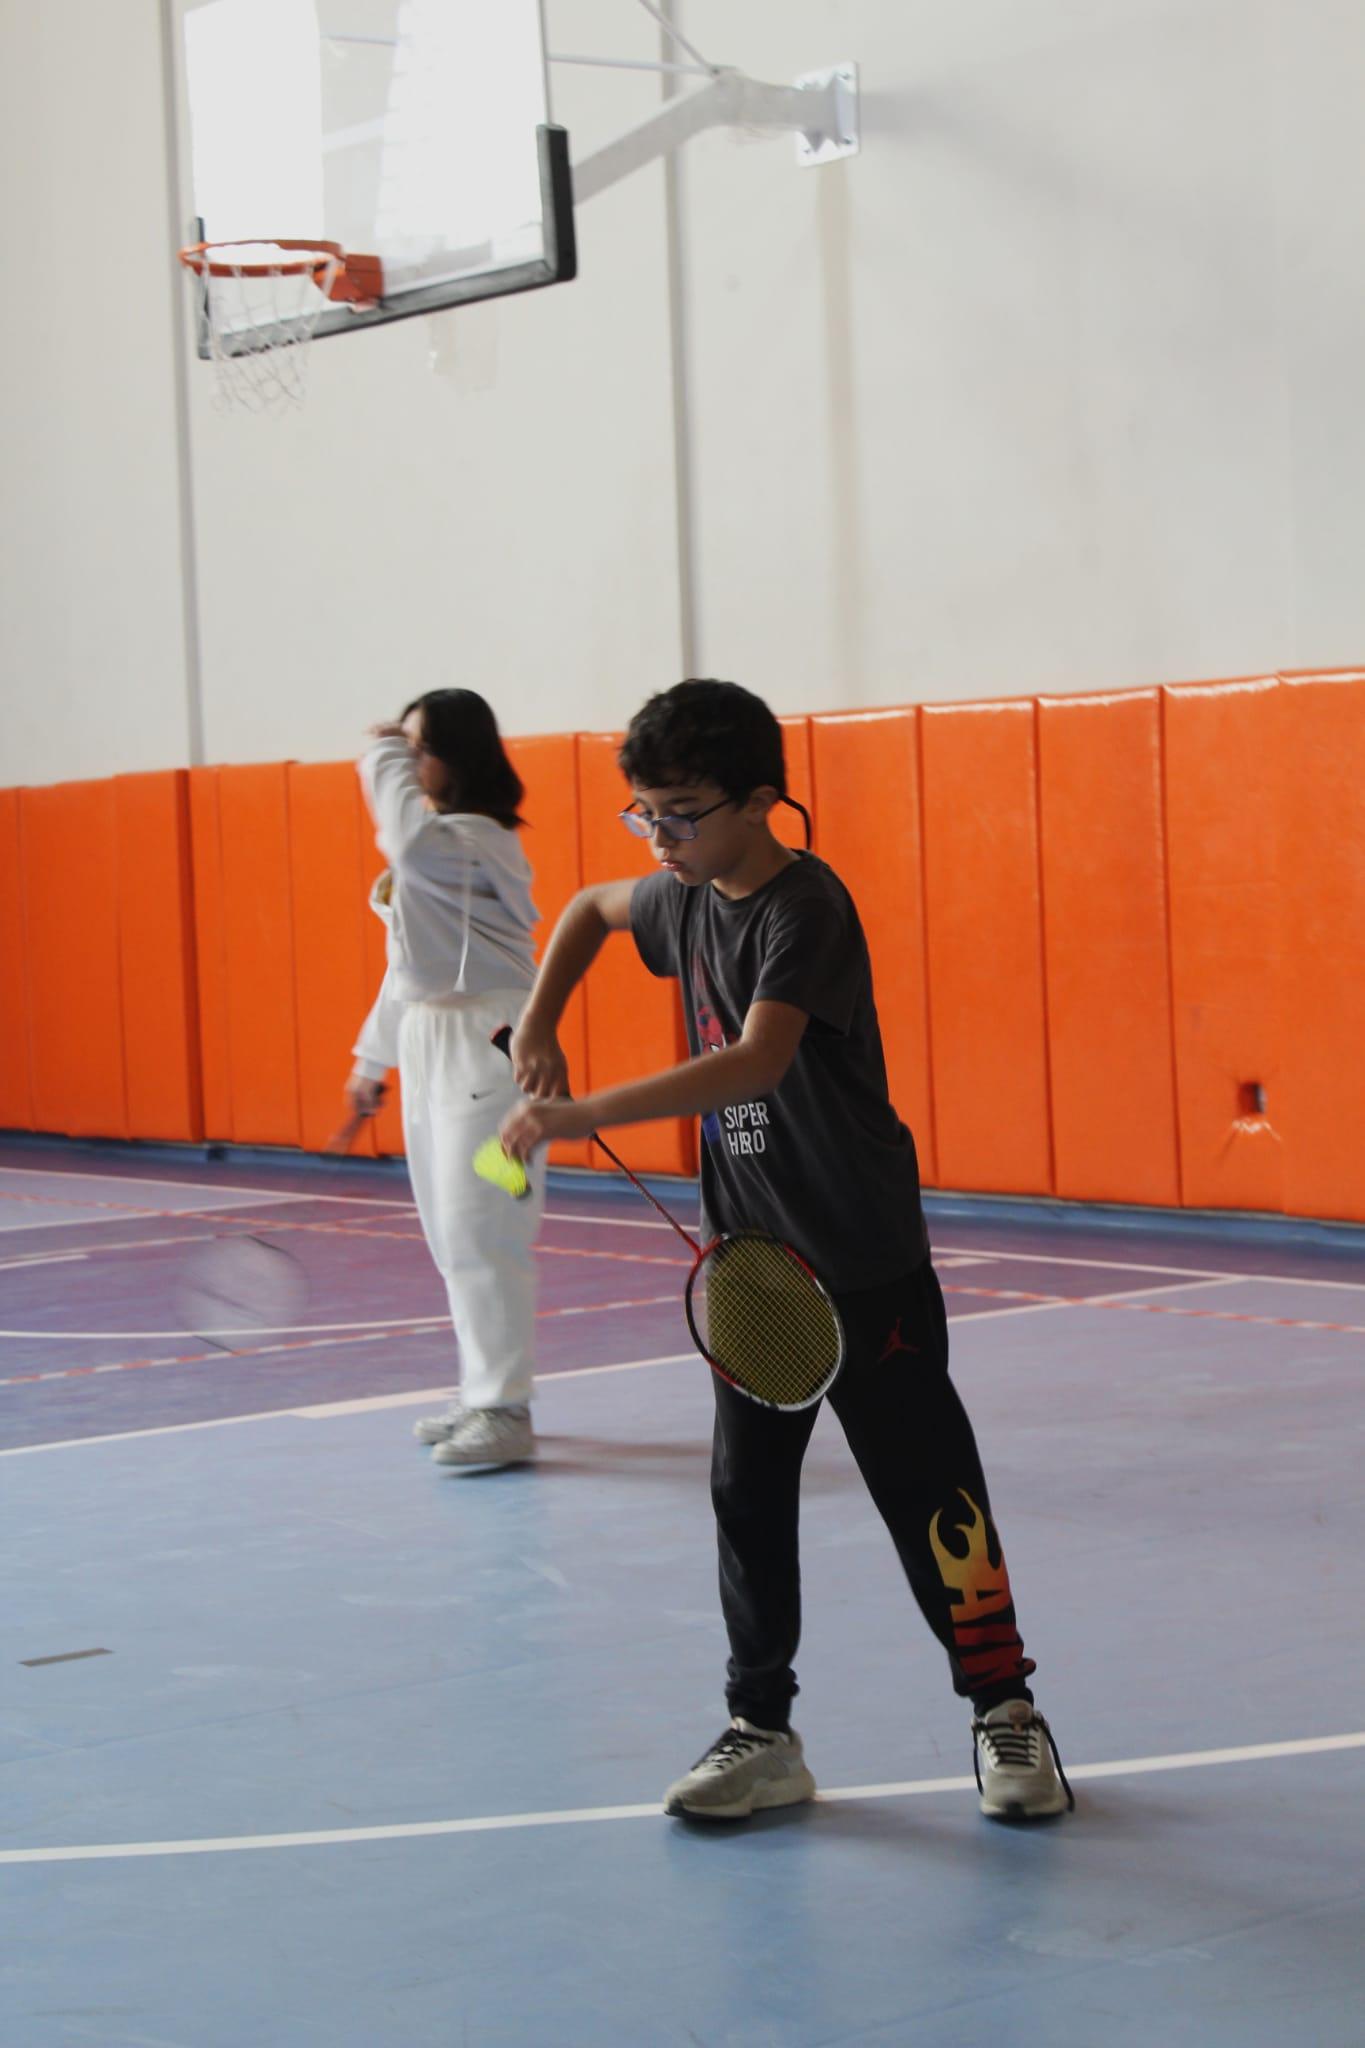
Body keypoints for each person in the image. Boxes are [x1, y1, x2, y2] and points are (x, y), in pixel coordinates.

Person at [499, 678, 1072, 1822]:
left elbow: (756, 1061)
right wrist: (544, 1019)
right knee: (747, 1498)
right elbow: (582, 914)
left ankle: (1006, 1712)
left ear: (761, 801)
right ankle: (761, 1728)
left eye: (681, 812)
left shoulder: (803, 908)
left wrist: (583, 1108)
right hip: (758, 1276)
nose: (659, 836)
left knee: (932, 1495)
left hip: (866, 1267)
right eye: (644, 814)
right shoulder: (679, 895)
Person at [349, 689, 545, 1471]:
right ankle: (481, 1392)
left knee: (483, 1229)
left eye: (419, 746)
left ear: (456, 758)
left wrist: (379, 752)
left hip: (490, 1048)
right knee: (448, 1234)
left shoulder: (475, 840)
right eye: (404, 747)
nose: (408, 758)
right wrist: (372, 1061)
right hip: (431, 1039)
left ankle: (506, 1408)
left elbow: (407, 844)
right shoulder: (434, 847)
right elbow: (408, 971)